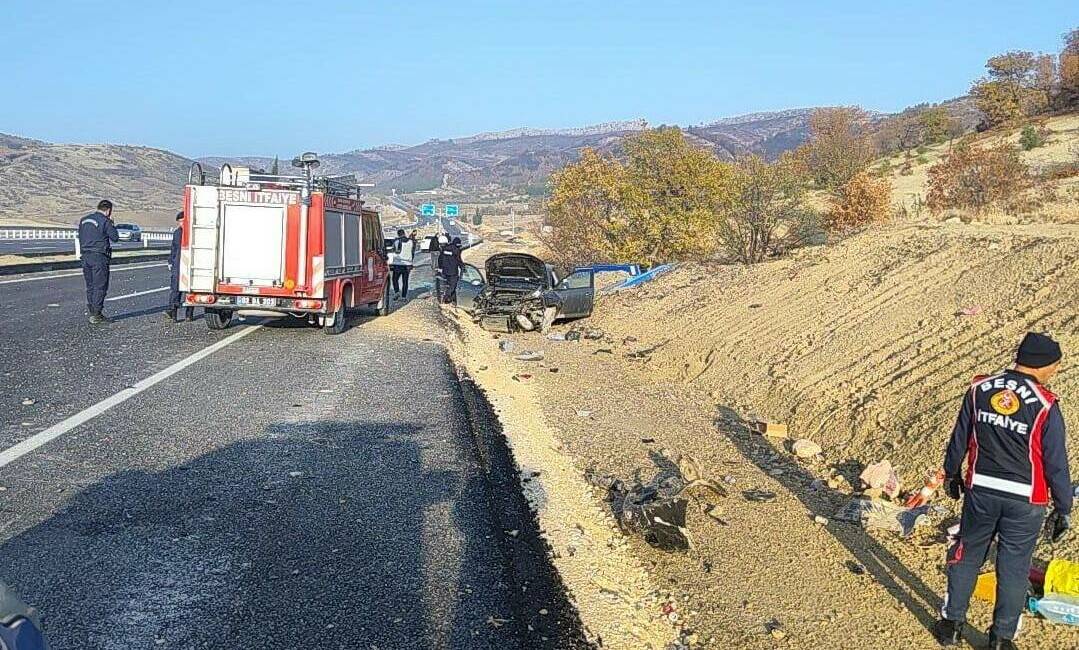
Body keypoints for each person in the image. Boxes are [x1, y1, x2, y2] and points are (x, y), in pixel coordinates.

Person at [934, 332, 1071, 650]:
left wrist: (952, 474)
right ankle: (1000, 639)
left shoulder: (979, 389)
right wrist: (1063, 507)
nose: (1055, 371)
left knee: (967, 554)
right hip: (1026, 499)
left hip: (981, 490)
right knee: (1014, 567)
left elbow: (959, 438)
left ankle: (951, 625)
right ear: (1043, 365)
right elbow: (1056, 464)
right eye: (1055, 366)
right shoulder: (1046, 405)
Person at [77, 199, 119, 324]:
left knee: (90, 286)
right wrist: (112, 224)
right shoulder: (105, 221)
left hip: (85, 256)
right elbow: (115, 237)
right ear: (109, 210)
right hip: (99, 257)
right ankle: (96, 314)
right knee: (100, 285)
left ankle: (92, 310)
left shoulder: (84, 220)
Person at [166, 211, 194, 322]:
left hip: (190, 264)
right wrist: (170, 261)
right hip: (178, 264)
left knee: (190, 290)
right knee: (175, 289)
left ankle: (189, 314)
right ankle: (173, 312)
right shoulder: (177, 233)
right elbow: (173, 248)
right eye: (179, 222)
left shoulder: (192, 232)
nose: (181, 223)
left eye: (183, 221)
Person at [389, 228, 415, 301]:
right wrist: (411, 262)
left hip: (398, 263)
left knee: (395, 279)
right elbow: (412, 252)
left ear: (398, 234)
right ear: (404, 233)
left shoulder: (396, 241)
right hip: (407, 264)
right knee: (405, 281)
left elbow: (393, 251)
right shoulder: (411, 241)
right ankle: (403, 297)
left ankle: (397, 292)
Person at [437, 236, 464, 304]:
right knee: (453, 286)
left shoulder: (445, 249)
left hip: (445, 271)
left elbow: (440, 258)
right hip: (453, 272)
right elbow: (458, 260)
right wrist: (462, 267)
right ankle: (446, 298)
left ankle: (452, 299)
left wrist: (440, 267)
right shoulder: (456, 250)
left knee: (448, 285)